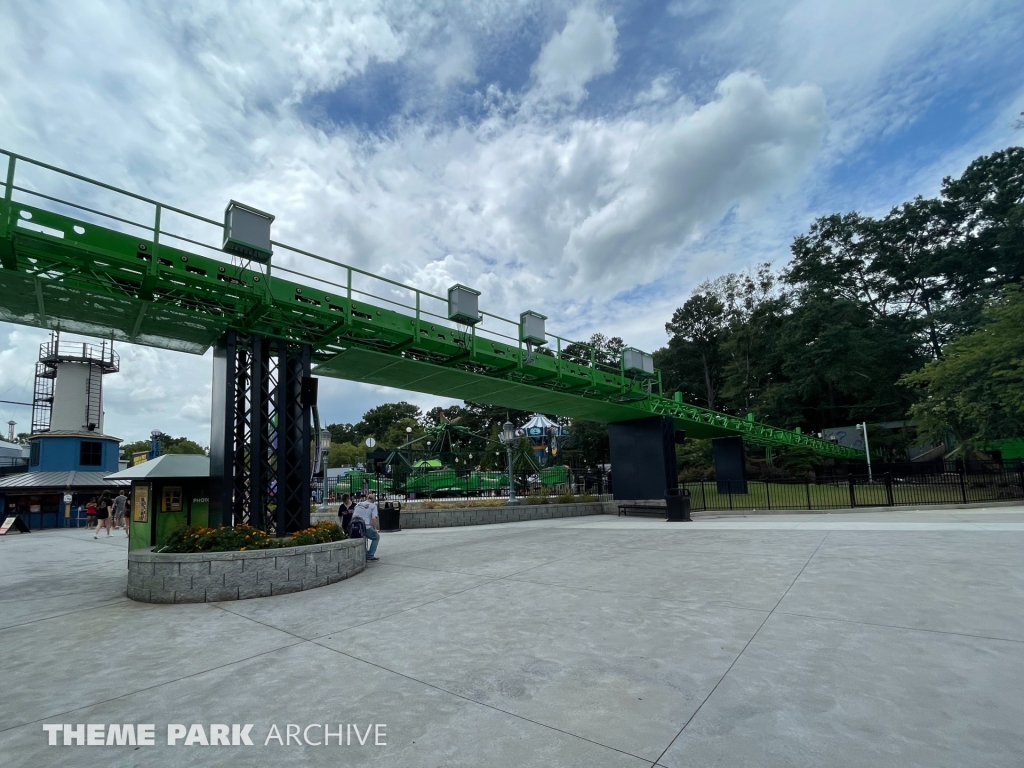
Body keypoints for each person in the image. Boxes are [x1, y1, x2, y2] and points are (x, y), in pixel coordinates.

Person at [351, 492, 380, 561]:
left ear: (367, 498)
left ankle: (365, 554)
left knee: (363, 537)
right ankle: (370, 555)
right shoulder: (373, 506)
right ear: (374, 500)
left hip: (354, 526)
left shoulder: (358, 504)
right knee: (376, 537)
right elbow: (374, 518)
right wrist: (374, 529)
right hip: (365, 526)